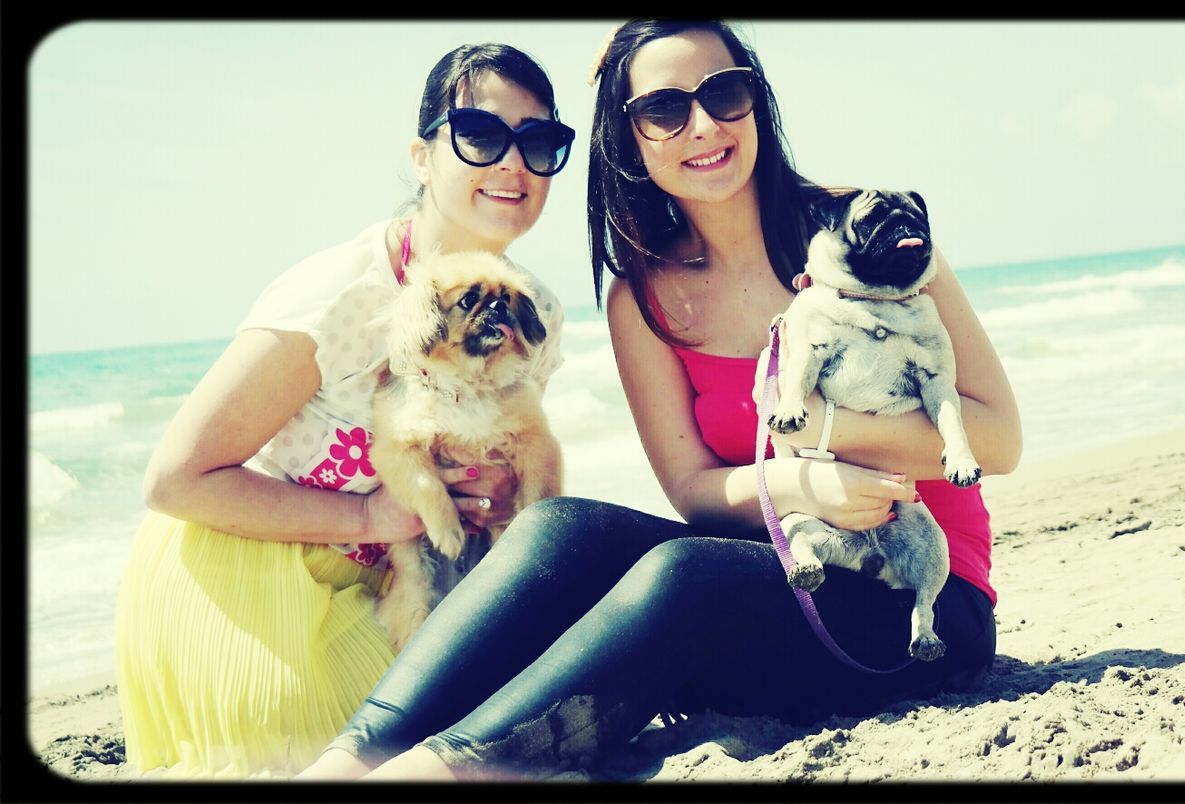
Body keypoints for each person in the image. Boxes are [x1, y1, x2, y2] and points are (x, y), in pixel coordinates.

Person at [295, 18, 1021, 782]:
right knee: (559, 528)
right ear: (630, 136)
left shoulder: (868, 229)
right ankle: (349, 764)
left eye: (724, 94)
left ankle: (440, 776)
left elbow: (999, 440)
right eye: (664, 110)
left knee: (681, 574)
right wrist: (798, 480)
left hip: (919, 606)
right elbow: (693, 490)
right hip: (785, 571)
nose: (701, 125)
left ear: (756, 101)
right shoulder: (643, 295)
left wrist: (834, 428)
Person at [112, 42, 574, 779]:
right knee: (418, 747)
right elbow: (174, 481)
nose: (512, 162)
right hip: (249, 574)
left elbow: (502, 471)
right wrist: (366, 518)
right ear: (423, 157)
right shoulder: (338, 295)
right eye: (480, 136)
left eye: (540, 141)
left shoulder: (530, 312)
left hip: (395, 582)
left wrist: (494, 505)